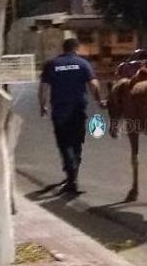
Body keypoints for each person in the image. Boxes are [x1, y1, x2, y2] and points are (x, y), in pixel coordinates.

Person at [39, 38, 106, 194]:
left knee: (64, 144)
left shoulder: (52, 64)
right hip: (78, 110)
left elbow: (43, 87)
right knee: (76, 143)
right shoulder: (83, 64)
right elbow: (94, 84)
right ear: (77, 49)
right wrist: (99, 100)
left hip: (60, 110)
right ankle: (73, 174)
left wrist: (43, 105)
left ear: (63, 49)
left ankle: (71, 176)